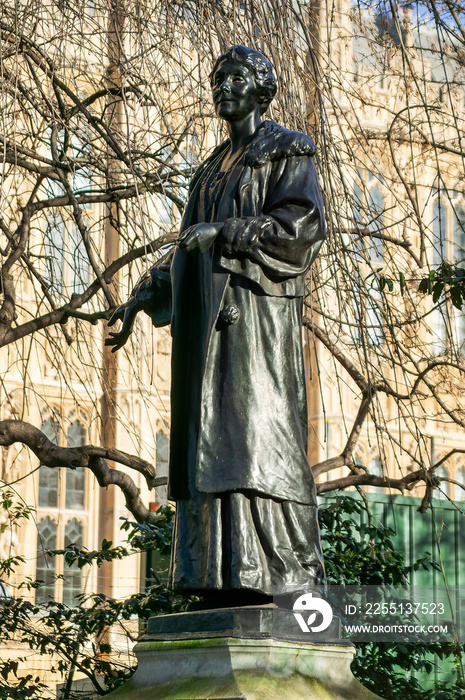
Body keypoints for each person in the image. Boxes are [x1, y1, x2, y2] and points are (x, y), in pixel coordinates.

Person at [106, 45, 326, 606]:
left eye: (233, 78)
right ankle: (215, 580)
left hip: (257, 329)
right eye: (216, 79)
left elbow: (300, 226)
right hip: (209, 335)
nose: (221, 88)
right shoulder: (210, 169)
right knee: (208, 446)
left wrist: (229, 233)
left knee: (255, 446)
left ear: (260, 87)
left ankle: (272, 577)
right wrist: (141, 296)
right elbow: (185, 245)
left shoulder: (287, 150)